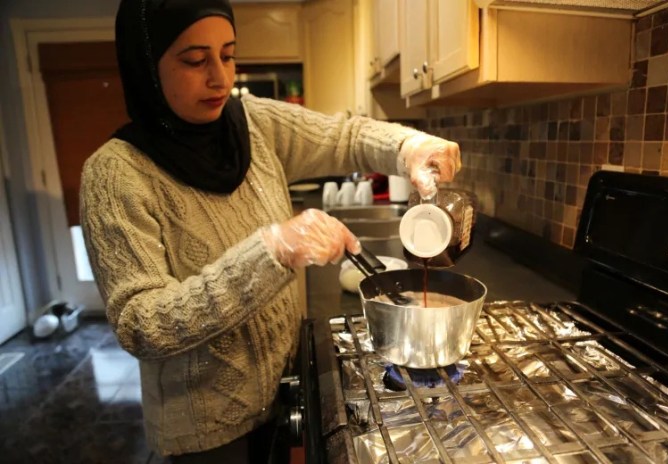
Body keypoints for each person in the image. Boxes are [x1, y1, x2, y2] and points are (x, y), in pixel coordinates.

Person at [79, 0, 461, 462]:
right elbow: (141, 325)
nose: (220, 78)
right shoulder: (115, 175)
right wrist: (271, 252)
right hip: (208, 433)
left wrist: (407, 146)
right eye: (195, 60)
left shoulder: (253, 123)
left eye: (228, 54)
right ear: (146, 65)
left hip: (287, 394)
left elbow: (342, 137)